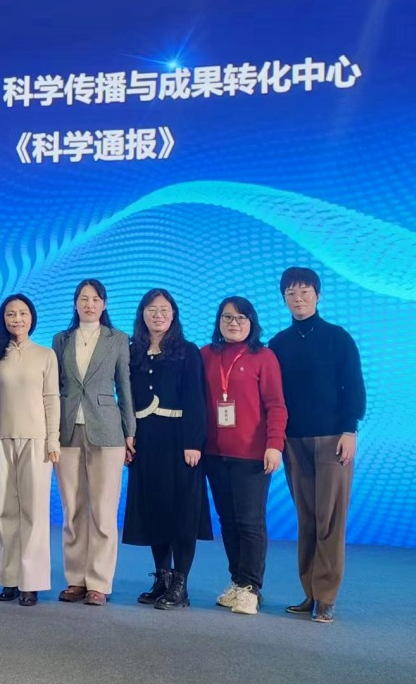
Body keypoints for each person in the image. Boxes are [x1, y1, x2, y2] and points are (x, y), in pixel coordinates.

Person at [269, 267, 365, 624]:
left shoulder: (338, 338)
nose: (298, 299)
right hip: (293, 441)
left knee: (330, 519)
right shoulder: (278, 344)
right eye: (291, 293)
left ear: (318, 295)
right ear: (284, 299)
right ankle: (309, 592)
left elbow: (353, 387)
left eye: (304, 292)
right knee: (307, 519)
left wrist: (349, 430)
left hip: (332, 440)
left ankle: (326, 597)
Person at [122, 288, 211, 610]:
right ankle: (162, 577)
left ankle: (180, 583)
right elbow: (126, 398)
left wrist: (193, 442)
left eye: (164, 309)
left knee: (182, 512)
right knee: (155, 508)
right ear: (142, 314)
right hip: (146, 441)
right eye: (151, 309)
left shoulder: (187, 351)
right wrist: (127, 437)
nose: (158, 315)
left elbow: (196, 398)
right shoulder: (133, 352)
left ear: (173, 314)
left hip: (179, 441)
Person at [201, 296, 287, 615]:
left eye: (241, 318)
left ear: (251, 322)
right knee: (228, 521)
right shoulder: (206, 355)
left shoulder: (264, 357)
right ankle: (237, 582)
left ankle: (251, 587)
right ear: (218, 321)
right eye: (227, 317)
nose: (234, 323)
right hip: (214, 453)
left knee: (250, 521)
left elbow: (276, 405)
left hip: (252, 454)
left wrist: (274, 444)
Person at [52, 279, 135, 606]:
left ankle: (99, 582)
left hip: (108, 431)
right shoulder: (61, 339)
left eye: (96, 299)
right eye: (84, 299)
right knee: (72, 509)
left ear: (104, 304)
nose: (89, 304)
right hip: (67, 430)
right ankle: (76, 579)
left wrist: (130, 431)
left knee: (103, 509)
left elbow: (124, 388)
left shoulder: (118, 339)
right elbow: (54, 387)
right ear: (75, 303)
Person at [0, 294, 60, 607]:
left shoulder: (46, 355)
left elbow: (52, 398)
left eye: (22, 313)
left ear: (32, 317)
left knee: (34, 512)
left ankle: (31, 582)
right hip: (1, 439)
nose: (17, 319)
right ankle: (8, 578)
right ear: (3, 320)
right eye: (10, 314)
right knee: (4, 511)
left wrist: (53, 438)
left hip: (37, 441)